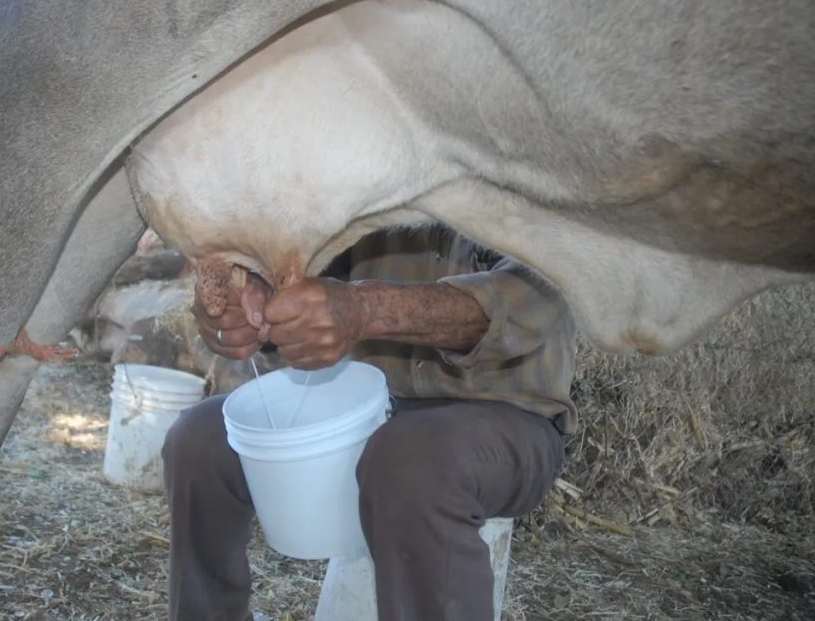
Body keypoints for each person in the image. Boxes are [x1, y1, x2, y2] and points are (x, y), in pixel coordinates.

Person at [162, 226, 577, 621]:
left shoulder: (534, 167)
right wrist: (259, 309)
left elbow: (534, 298)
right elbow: (315, 281)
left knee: (414, 460)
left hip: (507, 418)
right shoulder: (366, 172)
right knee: (200, 438)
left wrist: (364, 309)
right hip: (367, 410)